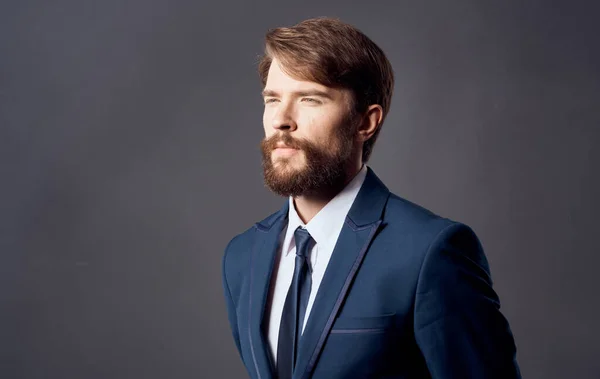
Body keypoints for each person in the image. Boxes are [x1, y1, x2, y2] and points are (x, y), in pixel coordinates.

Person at [221, 17, 521, 379]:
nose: (281, 120)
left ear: (366, 122)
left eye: (310, 99)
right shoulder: (242, 257)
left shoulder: (431, 253)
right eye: (272, 100)